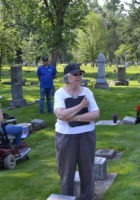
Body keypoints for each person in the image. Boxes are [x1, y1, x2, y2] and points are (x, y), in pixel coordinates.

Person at [54, 63, 100, 200]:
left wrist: (74, 117)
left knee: (87, 171)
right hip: (65, 137)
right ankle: (67, 198)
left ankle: (87, 197)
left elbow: (96, 114)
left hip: (86, 135)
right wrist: (81, 106)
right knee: (66, 172)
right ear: (67, 77)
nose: (79, 77)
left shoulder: (87, 92)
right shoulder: (60, 93)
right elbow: (60, 115)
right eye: (75, 74)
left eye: (80, 74)